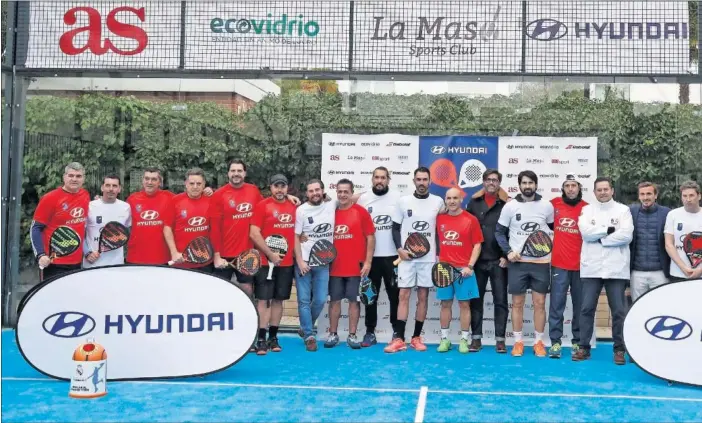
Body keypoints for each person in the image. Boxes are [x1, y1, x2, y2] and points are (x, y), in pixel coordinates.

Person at [384, 167, 444, 353]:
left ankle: (416, 337)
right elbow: (394, 228)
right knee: (403, 295)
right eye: (418, 179)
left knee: (423, 297)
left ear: (430, 181)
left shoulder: (438, 202)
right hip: (407, 259)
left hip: (428, 259)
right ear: (413, 181)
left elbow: (441, 230)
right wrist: (400, 250)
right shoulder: (403, 202)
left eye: (425, 179)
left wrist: (440, 254)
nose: (421, 183)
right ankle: (399, 339)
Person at [575, 177, 633, 365]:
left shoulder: (623, 210)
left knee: (618, 311)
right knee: (586, 309)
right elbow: (585, 233)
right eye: (599, 190)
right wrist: (608, 230)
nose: (603, 192)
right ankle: (584, 347)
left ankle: (619, 349)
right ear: (594, 192)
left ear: (612, 190)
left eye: (606, 189)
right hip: (591, 268)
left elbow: (626, 236)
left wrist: (601, 238)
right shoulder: (586, 210)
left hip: (616, 268)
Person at [495, 170, 553, 358]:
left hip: (541, 263)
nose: (528, 186)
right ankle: (518, 342)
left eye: (531, 183)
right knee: (517, 304)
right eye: (524, 183)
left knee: (540, 303)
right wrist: (509, 252)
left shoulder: (546, 206)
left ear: (536, 184)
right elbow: (499, 233)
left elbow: (553, 230)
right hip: (518, 264)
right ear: (519, 185)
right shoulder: (510, 207)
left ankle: (538, 343)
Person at [324, 179, 375, 349]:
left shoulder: (361, 212)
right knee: (335, 302)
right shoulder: (330, 213)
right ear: (336, 193)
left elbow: (370, 237)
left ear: (352, 193)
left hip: (356, 268)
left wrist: (368, 262)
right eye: (340, 191)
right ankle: (332, 334)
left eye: (346, 191)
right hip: (334, 267)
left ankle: (352, 336)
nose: (343, 195)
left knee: (354, 302)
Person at [250, 174, 297, 355]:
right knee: (264, 300)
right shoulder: (262, 206)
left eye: (283, 186)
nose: (279, 190)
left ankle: (273, 337)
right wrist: (270, 254)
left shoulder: (294, 206)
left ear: (287, 188)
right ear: (270, 187)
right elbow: (254, 233)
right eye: (276, 186)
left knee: (279, 300)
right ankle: (261, 339)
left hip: (286, 264)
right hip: (264, 262)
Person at [126, 168, 213, 265]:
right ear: (142, 180)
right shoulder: (132, 199)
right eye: (147, 178)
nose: (149, 182)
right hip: (136, 257)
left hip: (163, 258)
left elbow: (190, 197)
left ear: (160, 182)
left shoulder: (170, 197)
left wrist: (207, 191)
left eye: (154, 179)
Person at [465, 168, 510, 353]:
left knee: (500, 301)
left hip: (499, 261)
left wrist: (506, 255)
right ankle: (476, 339)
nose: (492, 183)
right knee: (476, 301)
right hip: (478, 262)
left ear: (499, 183)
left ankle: (500, 340)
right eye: (489, 180)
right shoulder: (473, 203)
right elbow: (465, 230)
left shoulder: (507, 204)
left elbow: (512, 232)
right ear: (483, 182)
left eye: (495, 180)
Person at [356, 166, 401, 348]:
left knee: (394, 296)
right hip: (371, 258)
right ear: (372, 179)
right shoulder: (363, 199)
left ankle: (397, 333)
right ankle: (369, 332)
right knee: (370, 296)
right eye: (377, 177)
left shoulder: (398, 198)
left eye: (383, 177)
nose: (380, 181)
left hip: (393, 257)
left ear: (388, 180)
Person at [436, 187, 483, 353]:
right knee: (445, 304)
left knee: (464, 305)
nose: (452, 201)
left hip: (464, 270)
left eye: (455, 198)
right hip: (444, 270)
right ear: (445, 200)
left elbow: (477, 244)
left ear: (461, 199)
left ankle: (464, 340)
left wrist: (469, 266)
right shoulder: (439, 219)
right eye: (448, 198)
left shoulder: (471, 219)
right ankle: (444, 339)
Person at [210, 160, 264, 298]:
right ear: (228, 173)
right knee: (220, 294)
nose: (236, 174)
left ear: (244, 173)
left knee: (247, 291)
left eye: (239, 171)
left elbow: (267, 208)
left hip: (247, 254)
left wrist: (287, 196)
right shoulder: (219, 194)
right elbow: (214, 228)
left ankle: (246, 320)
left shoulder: (253, 191)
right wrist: (216, 256)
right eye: (233, 171)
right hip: (224, 256)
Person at [548, 174, 587, 358]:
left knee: (579, 306)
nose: (571, 189)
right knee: (557, 305)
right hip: (559, 265)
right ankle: (555, 343)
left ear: (579, 188)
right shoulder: (553, 204)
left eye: (574, 185)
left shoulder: (587, 208)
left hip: (582, 267)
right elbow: (531, 206)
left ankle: (577, 342)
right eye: (567, 186)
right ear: (562, 189)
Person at [294, 179, 336, 352]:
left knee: (319, 300)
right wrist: (300, 261)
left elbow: (353, 197)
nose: (315, 193)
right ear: (306, 193)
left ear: (323, 191)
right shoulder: (301, 210)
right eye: (311, 191)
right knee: (304, 300)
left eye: (317, 190)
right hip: (304, 263)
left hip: (323, 262)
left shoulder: (332, 205)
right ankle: (310, 336)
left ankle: (305, 326)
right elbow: (296, 237)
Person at [32, 162, 91, 280]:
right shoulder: (50, 198)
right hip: (53, 263)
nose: (74, 179)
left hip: (77, 262)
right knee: (52, 298)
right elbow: (35, 228)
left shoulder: (85, 195)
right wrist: (40, 255)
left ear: (83, 179)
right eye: (71, 175)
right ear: (64, 177)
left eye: (78, 176)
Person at [163, 168, 213, 272]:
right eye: (192, 183)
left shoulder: (212, 200)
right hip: (181, 261)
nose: (195, 187)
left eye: (199, 183)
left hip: (205, 260)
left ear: (204, 184)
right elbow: (167, 228)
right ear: (186, 184)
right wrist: (174, 252)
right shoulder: (175, 201)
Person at [629, 182, 671, 301]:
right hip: (637, 272)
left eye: (649, 194)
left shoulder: (667, 213)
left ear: (655, 195)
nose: (645, 197)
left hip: (660, 272)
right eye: (642, 194)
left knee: (661, 308)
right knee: (637, 308)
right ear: (639, 196)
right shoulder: (630, 211)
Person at [82, 174, 132, 268]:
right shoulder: (89, 206)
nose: (111, 189)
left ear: (119, 189)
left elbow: (126, 232)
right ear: (102, 187)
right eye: (108, 185)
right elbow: (80, 232)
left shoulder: (126, 207)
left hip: (116, 264)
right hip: (92, 265)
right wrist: (87, 252)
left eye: (114, 186)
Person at [664, 181, 702, 282]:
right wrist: (683, 268)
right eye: (684, 196)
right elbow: (669, 244)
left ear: (699, 196)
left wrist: (700, 270)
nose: (688, 199)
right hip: (678, 273)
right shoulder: (673, 214)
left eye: (691, 195)